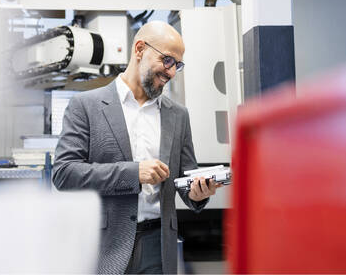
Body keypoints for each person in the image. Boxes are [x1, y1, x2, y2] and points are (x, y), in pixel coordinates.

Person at [52, 21, 221, 274]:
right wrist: (133, 173)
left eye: (177, 65)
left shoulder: (178, 115)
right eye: (167, 61)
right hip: (104, 244)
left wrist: (197, 194)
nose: (172, 72)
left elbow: (186, 178)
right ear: (140, 49)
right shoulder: (86, 106)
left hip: (158, 244)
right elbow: (64, 173)